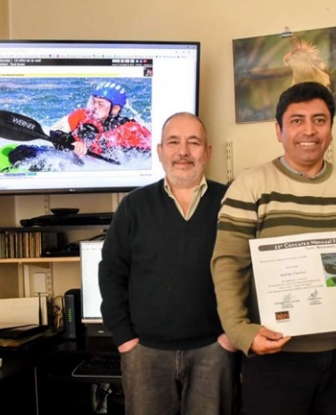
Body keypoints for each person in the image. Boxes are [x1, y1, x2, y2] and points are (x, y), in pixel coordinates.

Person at [211, 81, 336, 415]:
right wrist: (241, 331)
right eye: (297, 120)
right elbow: (228, 264)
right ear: (278, 130)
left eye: (320, 120)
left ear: (331, 129)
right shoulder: (250, 186)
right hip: (275, 356)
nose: (309, 130)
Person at [98, 112, 238, 415]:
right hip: (144, 354)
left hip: (214, 351)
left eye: (194, 143)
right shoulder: (133, 207)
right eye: (173, 142)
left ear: (208, 152)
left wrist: (231, 338)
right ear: (160, 151)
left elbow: (249, 271)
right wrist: (125, 341)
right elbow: (111, 274)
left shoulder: (231, 202)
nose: (183, 152)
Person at [50, 81, 151, 158]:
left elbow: (145, 156)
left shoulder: (131, 129)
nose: (94, 106)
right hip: (70, 159)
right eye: (94, 102)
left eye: (100, 104)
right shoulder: (81, 115)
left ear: (115, 109)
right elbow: (54, 131)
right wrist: (71, 142)